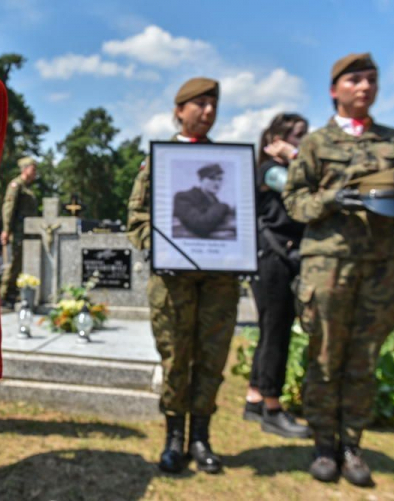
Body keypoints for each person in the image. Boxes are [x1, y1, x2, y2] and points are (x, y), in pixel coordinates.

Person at [283, 53, 394, 486]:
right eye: (355, 80)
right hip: (328, 265)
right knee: (324, 356)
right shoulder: (316, 143)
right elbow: (294, 201)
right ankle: (324, 445)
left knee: (363, 360)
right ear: (334, 89)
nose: (365, 87)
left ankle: (351, 445)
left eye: (371, 80)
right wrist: (330, 201)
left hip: (381, 267)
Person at [127, 77, 239, 475]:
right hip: (173, 284)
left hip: (219, 282)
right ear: (179, 110)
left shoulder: (229, 166)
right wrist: (159, 248)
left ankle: (201, 438)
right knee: (176, 359)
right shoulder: (159, 161)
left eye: (213, 105)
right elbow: (136, 219)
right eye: (200, 104)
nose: (208, 112)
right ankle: (174, 438)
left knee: (211, 359)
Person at [242, 113, 311, 439]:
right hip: (272, 258)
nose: (303, 142)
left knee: (273, 329)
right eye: (298, 136)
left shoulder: (279, 169)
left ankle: (255, 397)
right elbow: (301, 185)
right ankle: (272, 407)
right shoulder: (271, 171)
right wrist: (295, 157)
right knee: (276, 331)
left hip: (280, 257)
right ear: (276, 141)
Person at [0, 156, 39, 308]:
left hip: (26, 233)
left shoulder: (27, 188)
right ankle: (4, 296)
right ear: (25, 169)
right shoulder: (16, 185)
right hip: (17, 232)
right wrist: (6, 230)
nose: (35, 172)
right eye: (33, 169)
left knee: (20, 263)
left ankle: (13, 294)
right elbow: (8, 209)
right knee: (12, 263)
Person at [173, 164, 234, 239]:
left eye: (220, 179)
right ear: (201, 180)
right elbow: (200, 225)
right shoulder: (184, 197)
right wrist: (223, 206)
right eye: (212, 178)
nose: (217, 183)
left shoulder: (214, 201)